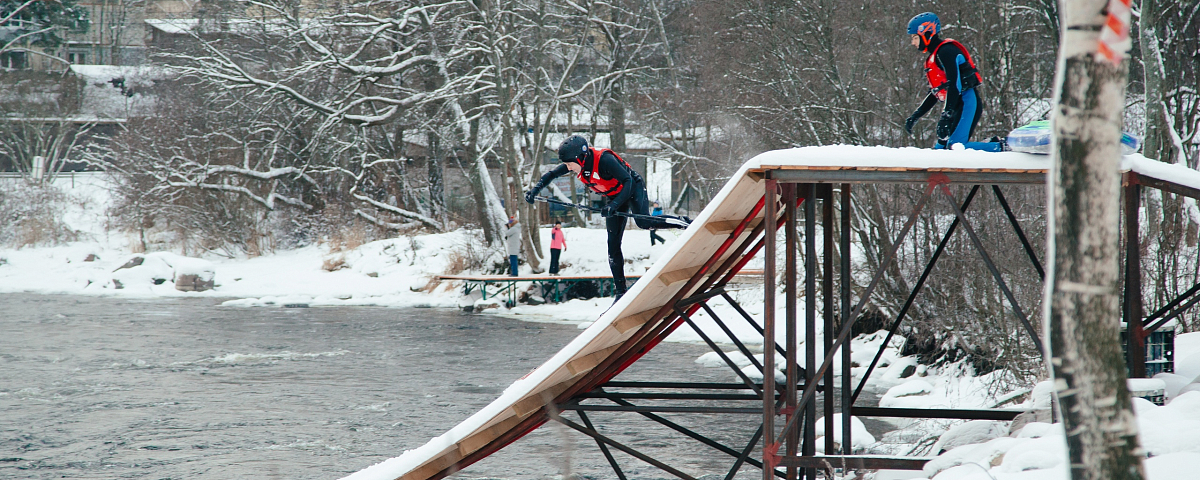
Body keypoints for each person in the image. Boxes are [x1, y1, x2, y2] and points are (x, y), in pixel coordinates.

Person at [525, 135, 689, 300]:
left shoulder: (604, 160)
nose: (567, 168)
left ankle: (682, 222)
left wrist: (613, 205)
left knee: (643, 222)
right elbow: (551, 174)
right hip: (615, 197)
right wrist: (535, 190)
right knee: (613, 246)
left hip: (632, 188)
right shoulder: (577, 162)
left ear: (580, 159)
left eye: (569, 164)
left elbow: (628, 181)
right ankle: (621, 293)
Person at [903, 12, 1004, 152]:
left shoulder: (946, 51)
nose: (913, 42)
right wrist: (915, 116)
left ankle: (1001, 147)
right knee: (940, 149)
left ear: (926, 34)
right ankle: (992, 144)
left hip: (967, 102)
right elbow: (935, 93)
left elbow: (955, 85)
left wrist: (946, 115)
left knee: (955, 147)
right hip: (955, 106)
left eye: (915, 37)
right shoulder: (935, 57)